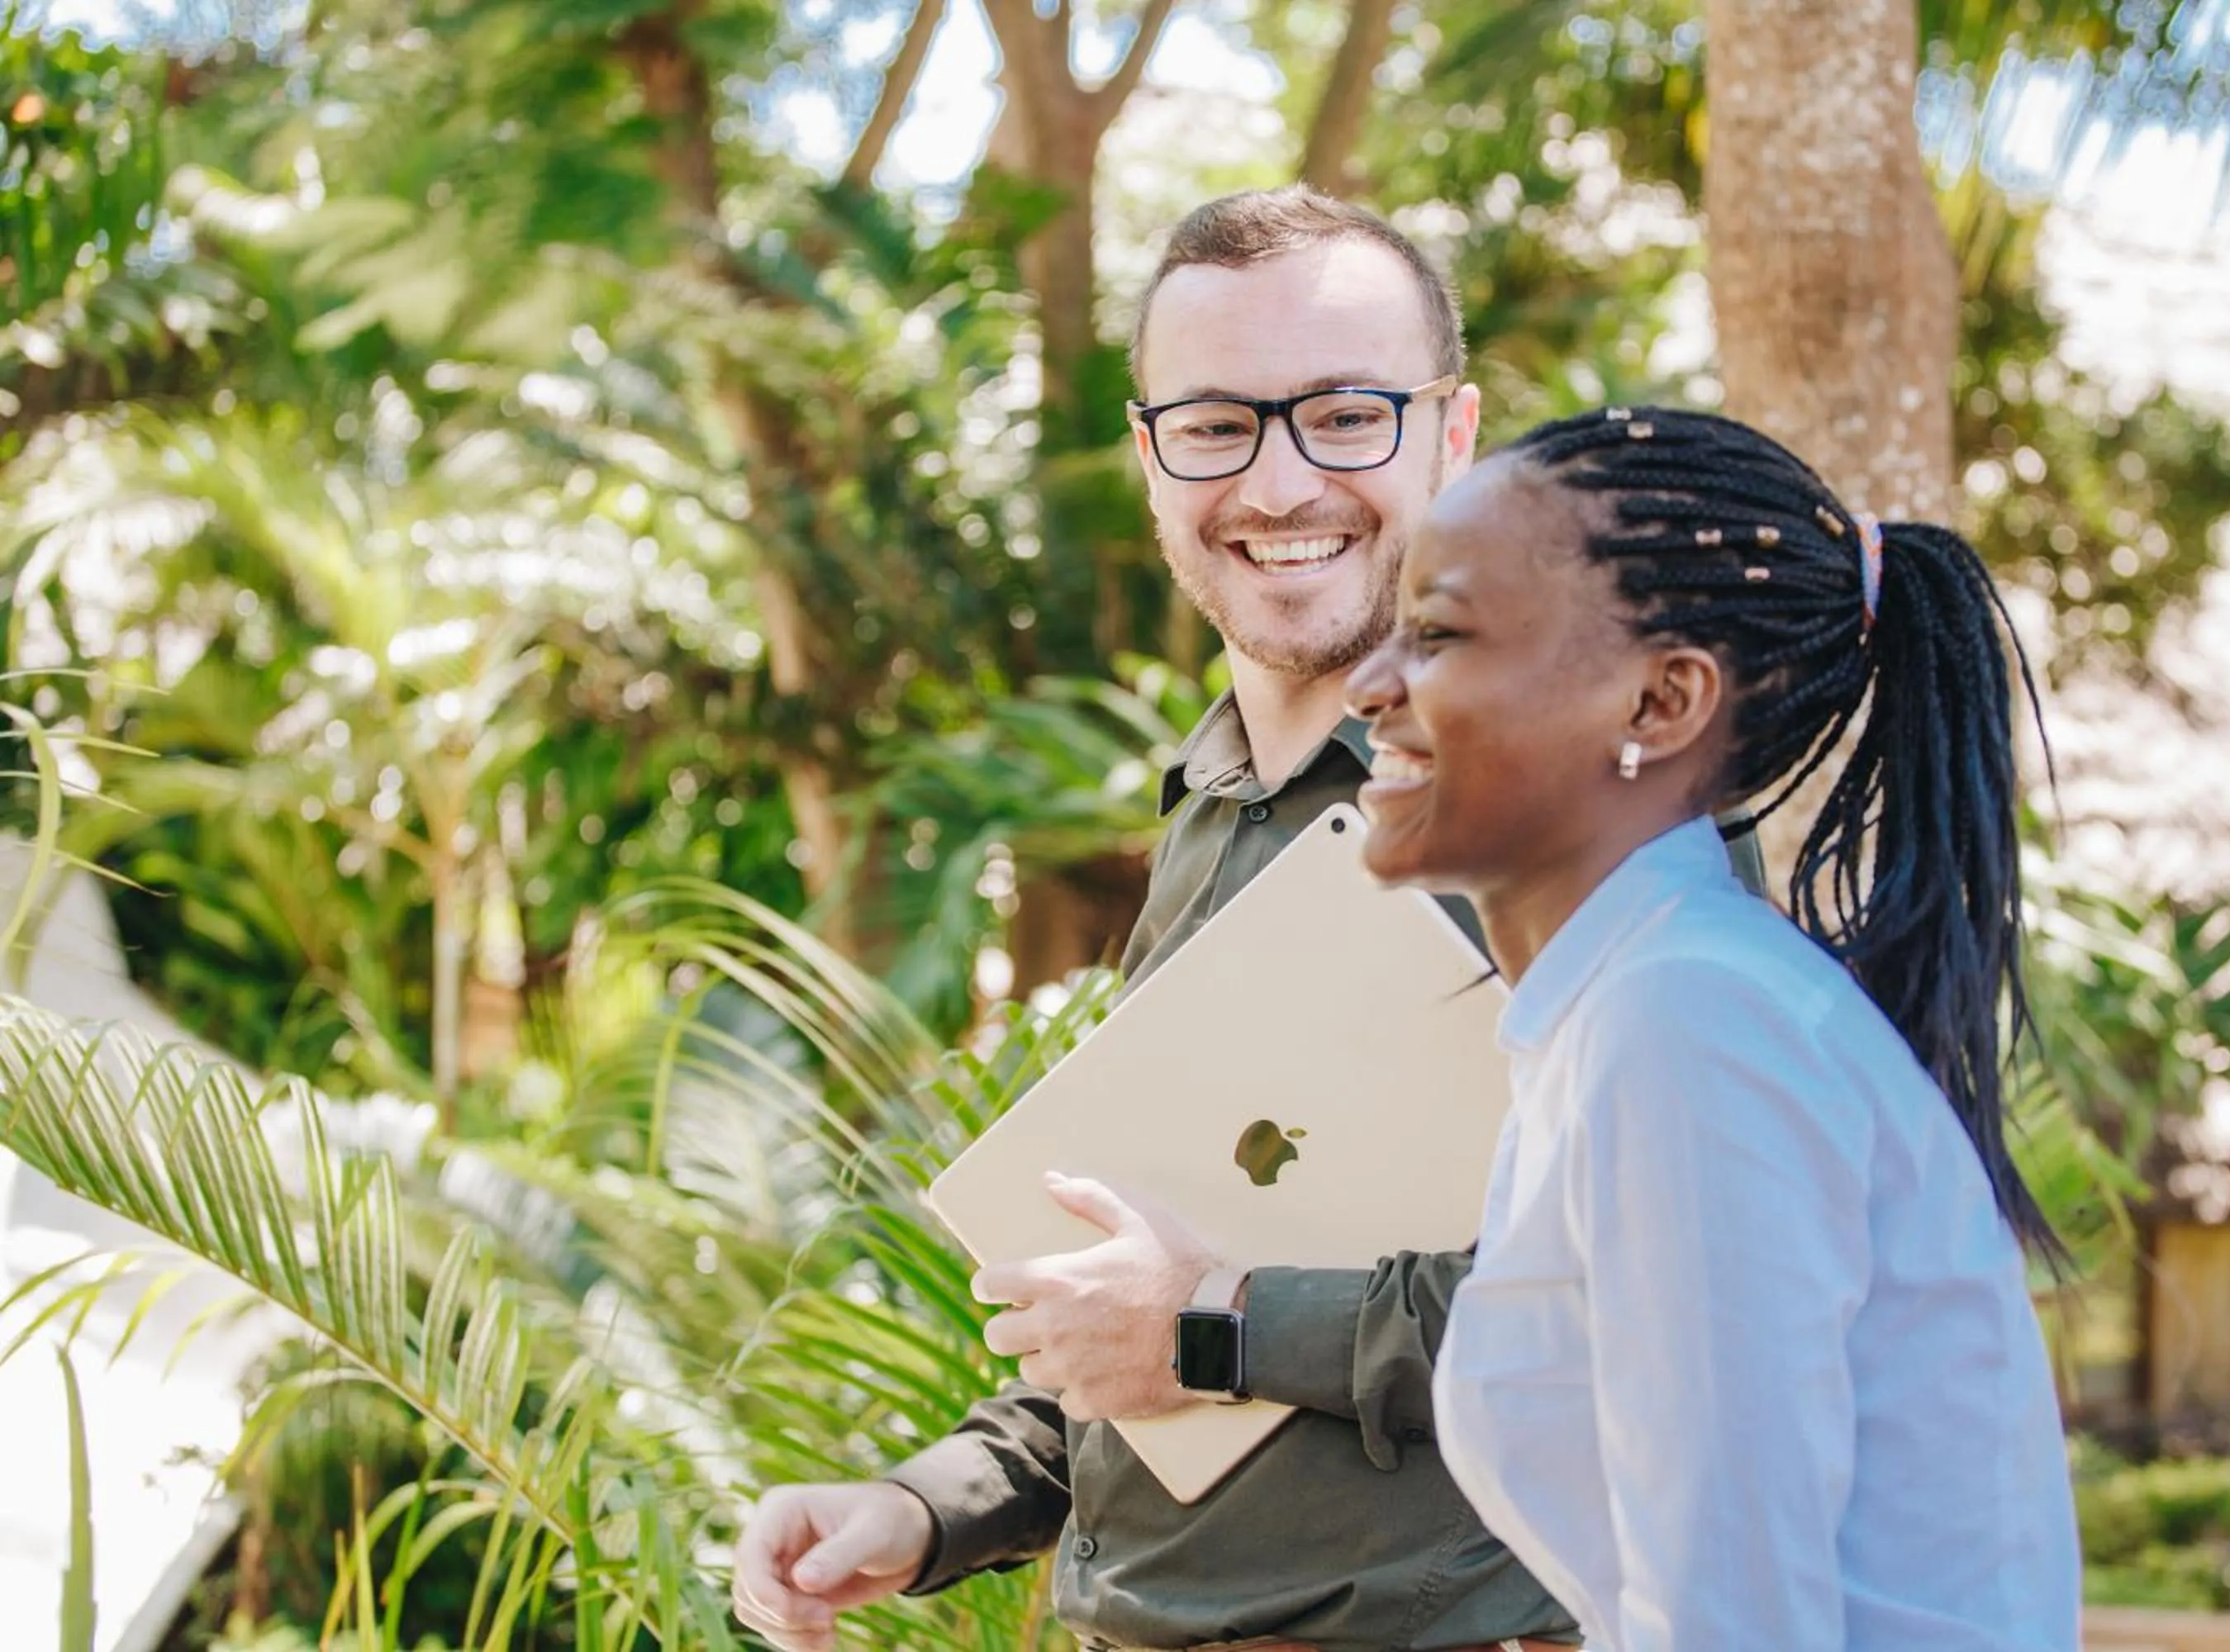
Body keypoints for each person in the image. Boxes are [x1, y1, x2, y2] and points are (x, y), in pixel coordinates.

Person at [735, 189, 1767, 1652]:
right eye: (1218, 425)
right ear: (1151, 458)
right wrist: (921, 1508)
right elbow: (1147, 1329)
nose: (1280, 486)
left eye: (1346, 416)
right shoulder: (1210, 815)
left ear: (1455, 436)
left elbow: (1681, 1300)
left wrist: (1214, 1326)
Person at [1340, 405, 2084, 1651]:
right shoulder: (1639, 1003)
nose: (1371, 689)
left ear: (1661, 701)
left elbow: (1734, 1618)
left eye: (1441, 635)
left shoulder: (1686, 1022)